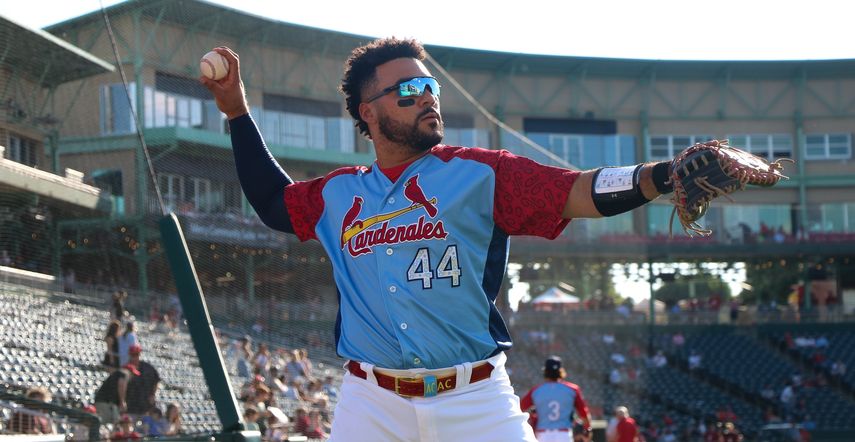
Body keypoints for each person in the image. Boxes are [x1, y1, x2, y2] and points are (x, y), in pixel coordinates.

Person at [202, 37, 680, 441]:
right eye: (409, 90)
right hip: (370, 403)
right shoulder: (338, 193)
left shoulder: (479, 172)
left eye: (430, 86)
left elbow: (578, 191)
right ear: (368, 112)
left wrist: (664, 174)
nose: (428, 97)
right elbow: (272, 201)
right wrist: (238, 112)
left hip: (475, 398)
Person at [520, 356, 591, 441]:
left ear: (545, 371)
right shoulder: (572, 389)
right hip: (564, 435)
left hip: (542, 435)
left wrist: (533, 414)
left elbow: (520, 408)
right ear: (561, 371)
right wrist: (588, 428)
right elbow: (583, 413)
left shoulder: (536, 391)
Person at [125, 344, 161, 419]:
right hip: (131, 406)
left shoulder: (148, 367)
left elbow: (156, 381)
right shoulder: (126, 368)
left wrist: (153, 394)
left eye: (136, 354)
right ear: (129, 355)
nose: (135, 357)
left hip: (146, 405)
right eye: (133, 355)